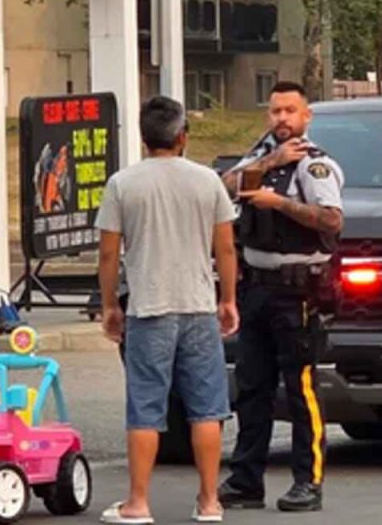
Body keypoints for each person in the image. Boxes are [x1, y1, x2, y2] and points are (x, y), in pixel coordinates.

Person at [96, 95, 240, 524]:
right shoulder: (207, 181)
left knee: (145, 407)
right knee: (207, 407)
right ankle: (210, 500)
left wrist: (108, 305)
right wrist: (227, 298)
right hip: (197, 306)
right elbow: (226, 246)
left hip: (149, 307)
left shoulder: (123, 184)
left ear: (144, 138)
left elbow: (108, 254)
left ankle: (138, 503)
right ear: (182, 136)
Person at [217, 81, 345, 512]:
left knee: (300, 389)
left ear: (306, 116)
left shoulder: (315, 167)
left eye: (291, 111)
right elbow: (223, 188)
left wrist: (280, 204)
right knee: (251, 388)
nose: (282, 119)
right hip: (256, 289)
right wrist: (268, 161)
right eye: (275, 111)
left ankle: (308, 482)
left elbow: (331, 221)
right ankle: (245, 482)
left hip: (298, 293)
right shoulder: (260, 159)